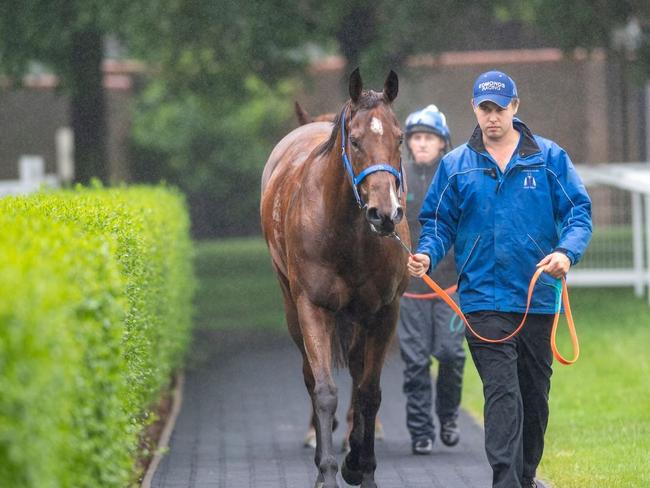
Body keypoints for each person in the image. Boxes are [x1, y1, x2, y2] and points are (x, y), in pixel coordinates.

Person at [407, 71, 592, 488]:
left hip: (538, 297)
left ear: (515, 107)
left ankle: (525, 476)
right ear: (475, 109)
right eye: (484, 108)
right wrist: (427, 254)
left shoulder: (548, 158)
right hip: (482, 301)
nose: (492, 117)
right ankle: (505, 481)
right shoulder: (455, 165)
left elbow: (578, 213)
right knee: (502, 394)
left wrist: (566, 252)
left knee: (533, 398)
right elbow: (436, 223)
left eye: (500, 108)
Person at [398, 105, 466, 455]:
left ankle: (449, 415)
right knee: (415, 362)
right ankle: (421, 431)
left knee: (451, 355)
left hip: (451, 286)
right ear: (408, 143)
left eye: (429, 138)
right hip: (410, 291)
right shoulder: (398, 179)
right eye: (416, 138)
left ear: (443, 143)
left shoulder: (454, 176)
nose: (422, 144)